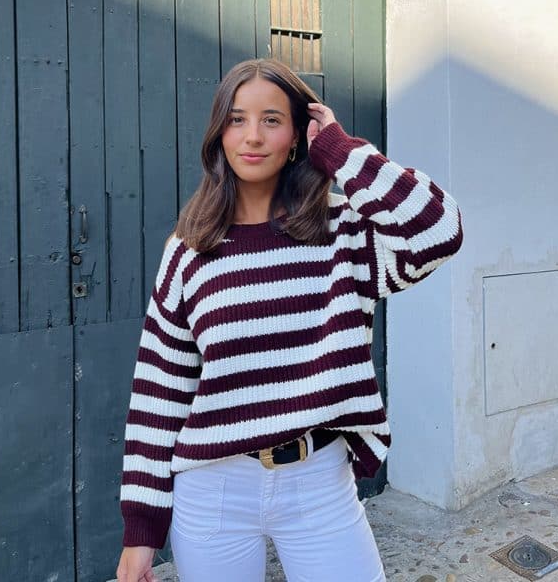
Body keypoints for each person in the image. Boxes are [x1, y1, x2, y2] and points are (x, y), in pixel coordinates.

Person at [115, 58, 463, 582]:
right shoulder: (188, 252)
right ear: (218, 134)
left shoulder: (344, 234)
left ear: (299, 134)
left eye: (272, 120)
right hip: (213, 491)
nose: (252, 136)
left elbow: (438, 229)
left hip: (319, 482)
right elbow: (158, 396)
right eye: (236, 119)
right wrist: (140, 532)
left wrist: (341, 152)